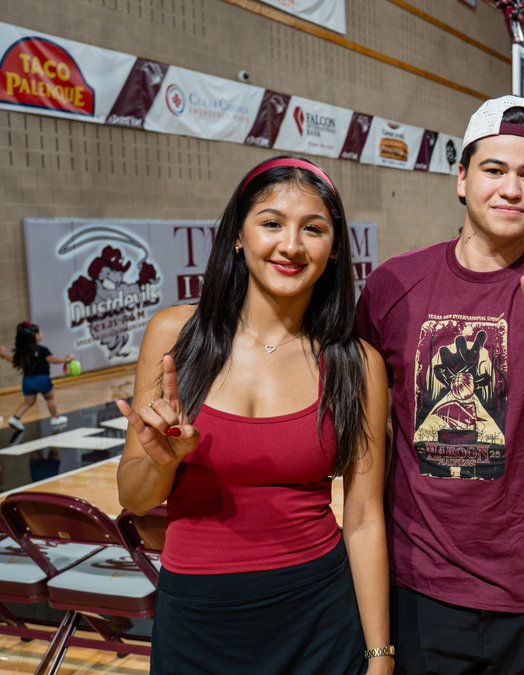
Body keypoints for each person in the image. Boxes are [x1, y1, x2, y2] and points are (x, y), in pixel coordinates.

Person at [355, 95, 524, 674]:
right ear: (461, 179)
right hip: (419, 586)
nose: (512, 188)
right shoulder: (392, 286)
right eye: (494, 170)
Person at [115, 156, 392, 674]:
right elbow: (135, 498)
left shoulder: (357, 364)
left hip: (320, 616)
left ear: (333, 250)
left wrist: (379, 656)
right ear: (237, 237)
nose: (290, 245)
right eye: (270, 223)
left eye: (313, 228)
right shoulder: (176, 337)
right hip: (197, 617)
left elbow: (362, 520)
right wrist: (162, 463)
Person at [1, 322, 74, 430]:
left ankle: (15, 418)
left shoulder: (22, 353)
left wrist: (3, 354)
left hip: (28, 381)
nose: (42, 333)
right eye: (40, 332)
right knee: (50, 398)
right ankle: (55, 418)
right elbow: (51, 359)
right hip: (42, 379)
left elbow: (11, 358)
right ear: (36, 336)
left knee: (28, 402)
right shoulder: (42, 350)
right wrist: (65, 360)